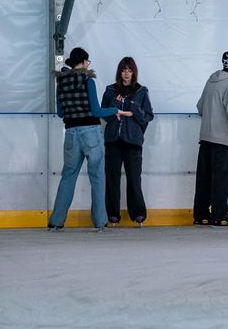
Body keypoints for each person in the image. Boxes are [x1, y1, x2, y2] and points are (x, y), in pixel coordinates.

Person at [48, 47, 127, 231]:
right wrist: (115, 110)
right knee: (97, 177)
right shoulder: (87, 80)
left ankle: (56, 221)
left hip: (71, 134)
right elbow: (97, 111)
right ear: (83, 62)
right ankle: (100, 221)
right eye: (87, 62)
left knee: (67, 177)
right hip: (90, 132)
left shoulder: (61, 82)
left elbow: (60, 113)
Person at [193, 51, 228, 227]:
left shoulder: (210, 81)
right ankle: (219, 214)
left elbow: (200, 107)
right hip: (221, 140)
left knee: (204, 178)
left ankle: (201, 214)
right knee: (221, 179)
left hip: (205, 138)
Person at [102, 56, 154, 226]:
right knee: (112, 178)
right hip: (113, 140)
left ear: (134, 72)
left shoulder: (141, 91)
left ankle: (138, 214)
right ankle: (112, 214)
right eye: (124, 70)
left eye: (129, 70)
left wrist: (133, 108)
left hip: (133, 142)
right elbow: (103, 114)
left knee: (134, 178)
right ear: (119, 72)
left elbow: (147, 116)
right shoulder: (110, 90)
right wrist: (113, 107)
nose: (126, 73)